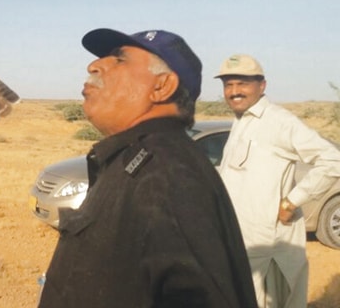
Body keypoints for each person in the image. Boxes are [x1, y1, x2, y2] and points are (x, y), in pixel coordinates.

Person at [39, 28, 257, 308]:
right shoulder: (137, 160)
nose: (94, 65)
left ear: (161, 87)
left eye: (119, 60)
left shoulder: (169, 176)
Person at [216, 54, 340, 308]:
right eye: (228, 85)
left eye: (242, 83)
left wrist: (292, 201)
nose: (234, 91)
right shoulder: (240, 122)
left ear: (262, 86)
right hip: (242, 243)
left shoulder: (278, 122)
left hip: (269, 247)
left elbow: (332, 160)